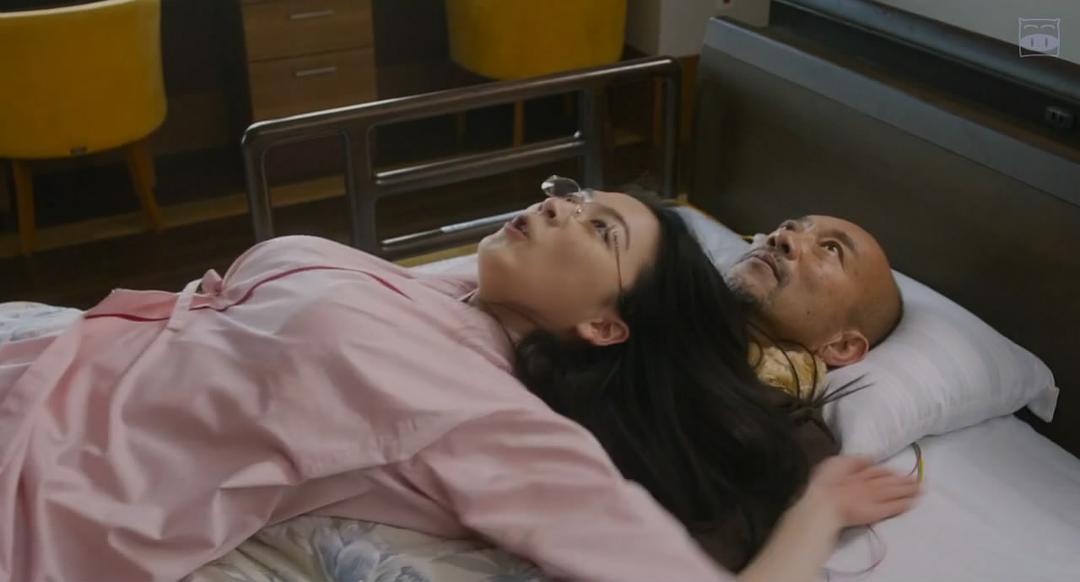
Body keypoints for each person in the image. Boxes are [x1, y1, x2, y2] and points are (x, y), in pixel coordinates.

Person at [0, 178, 918, 581]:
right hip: (43, 371)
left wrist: (817, 512)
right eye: (577, 197)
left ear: (607, 324)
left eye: (598, 228)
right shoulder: (461, 293)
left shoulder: (477, 411)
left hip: (44, 485)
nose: (557, 205)